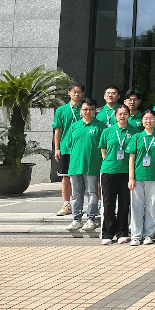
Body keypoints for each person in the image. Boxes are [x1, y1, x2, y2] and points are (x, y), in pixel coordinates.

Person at [64, 98, 106, 233]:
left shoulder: (101, 126)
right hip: (75, 166)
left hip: (92, 166)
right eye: (85, 109)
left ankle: (91, 219)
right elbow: (69, 144)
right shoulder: (74, 126)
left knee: (92, 193)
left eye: (91, 109)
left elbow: (105, 147)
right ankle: (76, 219)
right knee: (76, 195)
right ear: (81, 111)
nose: (88, 111)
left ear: (95, 111)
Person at [98, 104, 136, 245]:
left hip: (126, 171)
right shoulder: (107, 131)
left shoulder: (134, 131)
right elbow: (103, 149)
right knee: (108, 203)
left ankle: (122, 233)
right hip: (109, 170)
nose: (122, 116)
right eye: (120, 114)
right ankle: (107, 233)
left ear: (129, 115)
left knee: (124, 203)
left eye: (125, 113)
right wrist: (109, 161)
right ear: (115, 116)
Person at [127, 109, 155, 246]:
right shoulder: (136, 137)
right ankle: (136, 235)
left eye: (151, 118)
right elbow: (131, 158)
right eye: (146, 118)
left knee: (152, 206)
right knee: (136, 206)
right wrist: (131, 177)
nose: (148, 121)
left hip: (153, 176)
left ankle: (148, 234)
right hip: (138, 176)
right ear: (142, 121)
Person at [53, 82, 85, 217]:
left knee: (87, 177)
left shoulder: (86, 109)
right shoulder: (61, 110)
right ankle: (66, 204)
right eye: (74, 91)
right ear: (69, 93)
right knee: (66, 176)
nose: (76, 94)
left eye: (79, 92)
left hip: (83, 148)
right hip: (67, 148)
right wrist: (57, 148)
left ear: (82, 94)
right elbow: (58, 130)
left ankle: (86, 205)